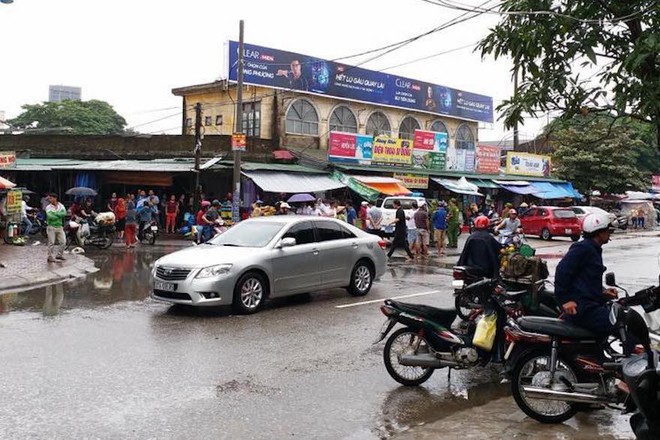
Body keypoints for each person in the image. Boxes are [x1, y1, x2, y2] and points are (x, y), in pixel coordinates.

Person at [555, 212, 618, 338]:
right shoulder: (583, 248)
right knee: (621, 323)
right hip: (583, 309)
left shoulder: (594, 249)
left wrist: (603, 292)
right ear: (599, 232)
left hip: (591, 305)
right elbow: (562, 271)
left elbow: (587, 280)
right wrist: (565, 301)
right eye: (607, 231)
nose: (609, 234)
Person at [45, 193, 66, 263]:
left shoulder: (61, 206)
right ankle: (50, 257)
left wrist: (55, 213)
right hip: (51, 226)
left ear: (55, 198)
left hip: (59, 226)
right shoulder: (48, 207)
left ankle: (59, 255)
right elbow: (50, 217)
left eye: (51, 198)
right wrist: (58, 214)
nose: (49, 200)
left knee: (63, 241)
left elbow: (64, 214)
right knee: (51, 242)